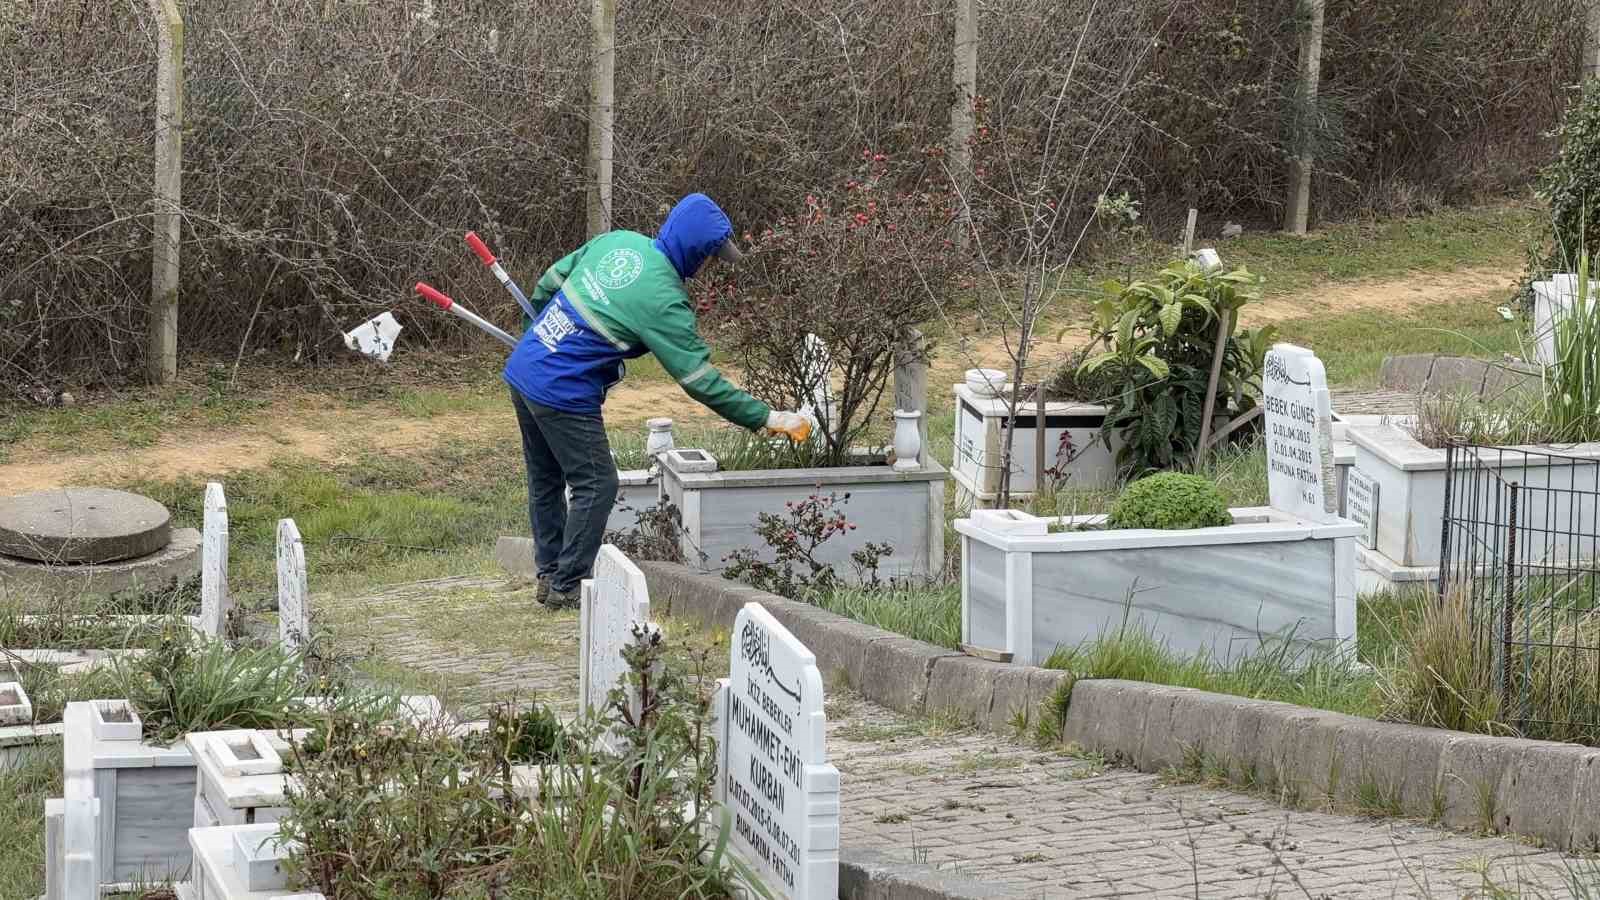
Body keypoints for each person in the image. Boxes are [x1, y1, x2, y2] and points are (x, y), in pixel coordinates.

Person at [504, 193, 812, 609]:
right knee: (597, 483)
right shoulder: (664, 300)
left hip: (525, 367)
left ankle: (548, 575)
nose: (704, 267)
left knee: (546, 478)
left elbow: (551, 280)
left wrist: (534, 328)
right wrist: (767, 417)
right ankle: (567, 586)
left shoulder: (619, 241)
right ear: (694, 251)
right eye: (707, 257)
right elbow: (699, 379)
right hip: (562, 389)